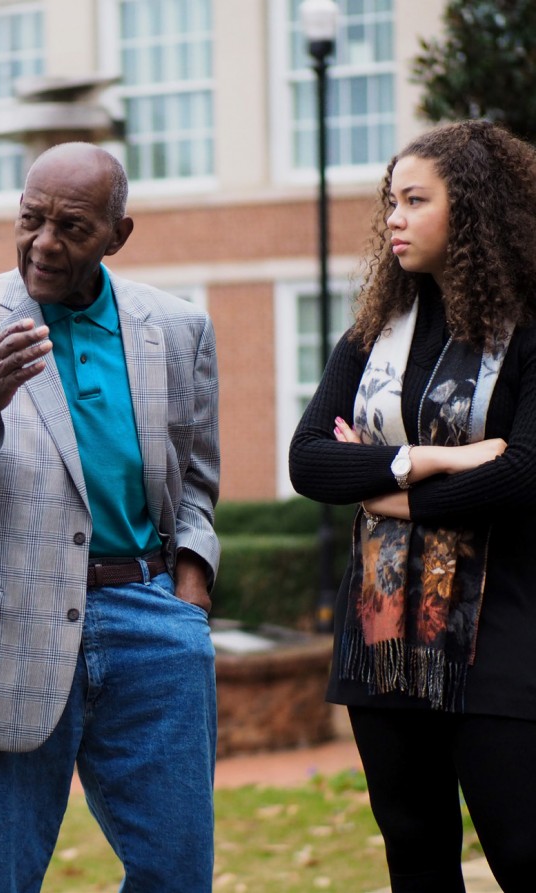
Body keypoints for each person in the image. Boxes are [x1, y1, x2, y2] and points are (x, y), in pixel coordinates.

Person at [0, 141, 220, 892]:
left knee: (178, 876)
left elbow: (196, 478)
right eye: (30, 218)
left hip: (152, 631)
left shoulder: (176, 329)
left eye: (71, 227)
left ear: (117, 235)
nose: (44, 243)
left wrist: (190, 590)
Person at [289, 119, 536, 892]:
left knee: (525, 851)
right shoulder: (371, 333)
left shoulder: (527, 332)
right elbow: (307, 459)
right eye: (389, 201)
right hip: (381, 634)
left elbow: (524, 474)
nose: (392, 217)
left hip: (499, 634)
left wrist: (385, 496)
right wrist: (427, 459)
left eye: (414, 200)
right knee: (417, 857)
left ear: (472, 210)